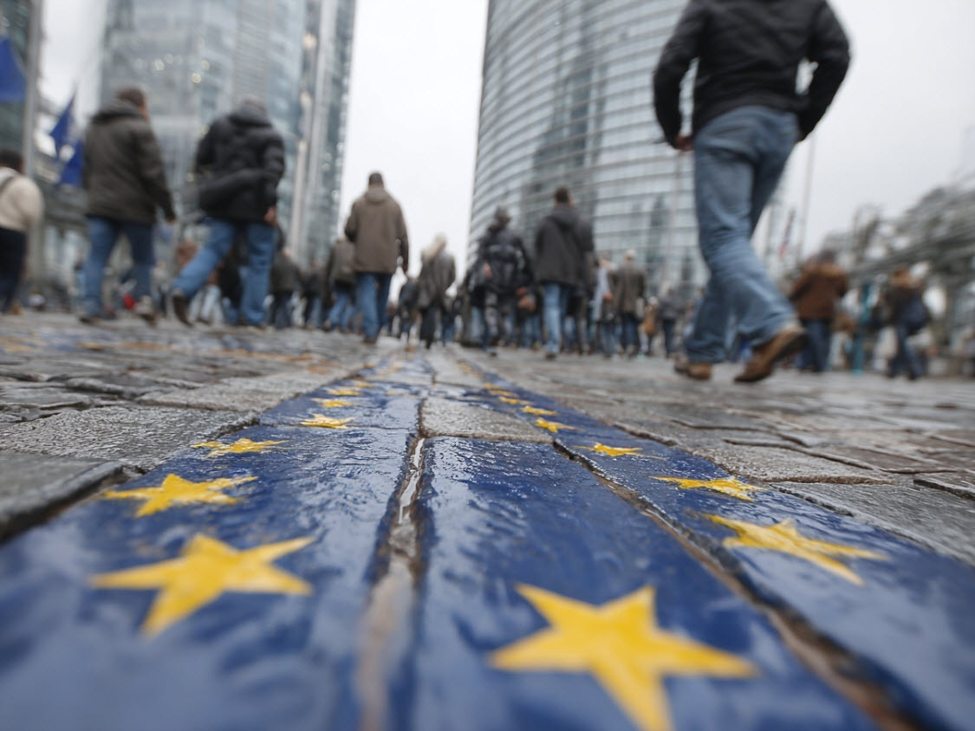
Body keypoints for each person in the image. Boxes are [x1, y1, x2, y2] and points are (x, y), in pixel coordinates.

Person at [654, 0, 850, 382]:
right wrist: (804, 119)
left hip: (725, 121)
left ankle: (772, 323)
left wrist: (671, 127)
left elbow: (671, 65)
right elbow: (837, 56)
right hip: (778, 126)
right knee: (733, 244)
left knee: (722, 239)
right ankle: (702, 351)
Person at [171, 98, 285, 328]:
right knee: (259, 261)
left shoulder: (220, 126)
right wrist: (271, 204)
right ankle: (252, 317)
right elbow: (272, 172)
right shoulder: (271, 135)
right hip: (256, 205)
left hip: (223, 200)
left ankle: (182, 288)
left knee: (212, 250)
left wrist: (215, 178)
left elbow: (201, 159)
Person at [80, 87, 176, 325]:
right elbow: (154, 173)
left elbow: (87, 168)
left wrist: (92, 194)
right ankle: (143, 301)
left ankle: (90, 306)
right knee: (142, 258)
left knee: (96, 258)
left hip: (100, 205)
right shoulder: (140, 128)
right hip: (136, 206)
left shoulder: (95, 128)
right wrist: (167, 208)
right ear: (141, 105)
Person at [344, 172, 409, 344]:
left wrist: (357, 238)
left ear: (368, 184)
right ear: (383, 183)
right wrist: (405, 262)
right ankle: (376, 327)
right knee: (382, 295)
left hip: (364, 257)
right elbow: (403, 236)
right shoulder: (394, 206)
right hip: (387, 259)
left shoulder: (359, 203)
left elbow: (349, 230)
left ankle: (371, 329)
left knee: (367, 293)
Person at [534, 187, 594, 360]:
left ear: (555, 200)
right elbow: (587, 250)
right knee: (560, 308)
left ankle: (553, 342)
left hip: (550, 271)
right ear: (569, 199)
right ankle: (557, 341)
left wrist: (537, 271)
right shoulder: (580, 222)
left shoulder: (546, 222)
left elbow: (537, 247)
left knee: (551, 305)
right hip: (570, 272)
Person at [477, 207, 530, 355]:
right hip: (508, 279)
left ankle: (495, 333)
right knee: (502, 311)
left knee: (492, 308)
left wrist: (485, 266)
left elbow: (480, 255)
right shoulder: (513, 236)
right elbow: (525, 257)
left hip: (495, 278)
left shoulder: (490, 234)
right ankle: (499, 334)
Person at [790, 250, 849, 372]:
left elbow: (797, 289)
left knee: (809, 338)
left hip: (808, 310)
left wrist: (791, 299)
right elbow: (842, 292)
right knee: (822, 338)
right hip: (827, 311)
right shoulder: (838, 274)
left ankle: (808, 363)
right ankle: (819, 364)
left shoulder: (813, 271)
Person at [0, 149, 44, 313]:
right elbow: (32, 214)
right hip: (13, 232)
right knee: (11, 272)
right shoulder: (24, 184)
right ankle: (5, 304)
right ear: (20, 165)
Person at [883, 267, 927, 381]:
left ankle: (915, 369)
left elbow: (895, 307)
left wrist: (889, 319)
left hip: (902, 320)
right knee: (901, 345)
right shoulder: (914, 288)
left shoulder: (899, 289)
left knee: (902, 345)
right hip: (914, 320)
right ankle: (893, 370)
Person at [416, 234, 457, 350]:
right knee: (433, 313)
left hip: (427, 289)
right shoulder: (449, 258)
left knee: (426, 314)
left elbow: (422, 274)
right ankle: (428, 337)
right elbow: (452, 276)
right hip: (440, 290)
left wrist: (422, 285)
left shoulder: (427, 254)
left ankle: (423, 338)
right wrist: (445, 286)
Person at [614, 250, 646, 357]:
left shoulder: (620, 269)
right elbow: (643, 287)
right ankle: (630, 345)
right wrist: (639, 295)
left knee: (624, 324)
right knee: (631, 325)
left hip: (621, 303)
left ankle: (624, 345)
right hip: (634, 303)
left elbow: (614, 283)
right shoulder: (639, 270)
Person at [324, 237, 356, 332]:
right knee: (344, 300)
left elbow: (330, 263)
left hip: (337, 276)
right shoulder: (356, 246)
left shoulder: (337, 246)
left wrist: (328, 276)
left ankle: (338, 322)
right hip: (350, 277)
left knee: (340, 299)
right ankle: (333, 319)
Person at [268, 244, 300, 329]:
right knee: (286, 305)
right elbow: (299, 275)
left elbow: (272, 275)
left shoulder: (276, 263)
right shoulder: (292, 263)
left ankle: (272, 321)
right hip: (288, 288)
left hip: (278, 288)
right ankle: (287, 322)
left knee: (277, 305)